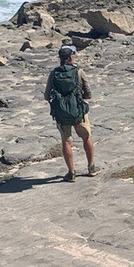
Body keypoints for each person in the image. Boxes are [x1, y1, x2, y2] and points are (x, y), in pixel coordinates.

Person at [44, 45, 97, 182]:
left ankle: (71, 173)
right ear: (70, 57)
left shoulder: (53, 74)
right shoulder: (78, 72)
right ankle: (91, 168)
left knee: (66, 141)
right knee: (86, 137)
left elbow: (46, 96)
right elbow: (88, 94)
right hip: (79, 112)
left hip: (61, 114)